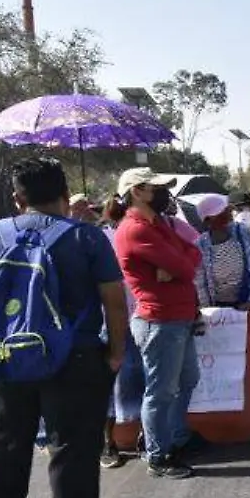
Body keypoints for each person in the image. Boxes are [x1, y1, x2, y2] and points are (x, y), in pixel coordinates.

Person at [0, 157, 128, 498]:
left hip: (8, 356)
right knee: (72, 446)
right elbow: (114, 302)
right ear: (65, 194)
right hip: (75, 356)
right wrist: (116, 353)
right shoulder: (87, 237)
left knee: (4, 442)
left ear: (18, 197)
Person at [113, 167, 205, 480]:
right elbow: (185, 263)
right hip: (159, 320)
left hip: (177, 317)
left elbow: (191, 256)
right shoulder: (136, 229)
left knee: (187, 379)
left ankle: (172, 438)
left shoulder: (157, 224)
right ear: (137, 191)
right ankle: (158, 454)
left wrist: (177, 266)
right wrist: (178, 265)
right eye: (156, 188)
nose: (164, 193)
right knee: (161, 391)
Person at [98, 195, 148, 469]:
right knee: (108, 380)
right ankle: (108, 442)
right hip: (108, 320)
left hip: (142, 317)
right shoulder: (97, 239)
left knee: (143, 377)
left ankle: (142, 437)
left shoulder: (147, 234)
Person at [191, 193, 250, 310]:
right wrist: (207, 310)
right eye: (221, 212)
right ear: (208, 220)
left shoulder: (241, 231)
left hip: (247, 301)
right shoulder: (200, 244)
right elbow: (201, 283)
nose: (227, 213)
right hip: (219, 306)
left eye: (226, 209)